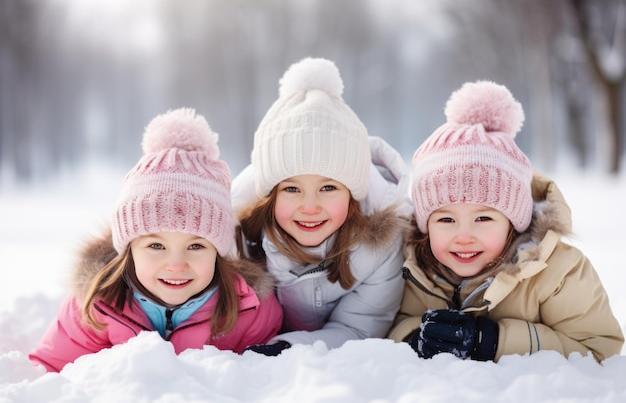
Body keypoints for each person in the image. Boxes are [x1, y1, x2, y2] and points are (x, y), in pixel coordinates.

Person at [29, 108, 283, 372]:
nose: (176, 264)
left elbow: (263, 381)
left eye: (195, 246)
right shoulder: (95, 306)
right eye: (156, 246)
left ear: (218, 252)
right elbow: (51, 374)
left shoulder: (249, 309)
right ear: (129, 250)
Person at [387, 80, 624, 362]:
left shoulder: (558, 272)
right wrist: (415, 338)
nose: (464, 235)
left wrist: (492, 341)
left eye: (483, 217)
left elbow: (600, 349)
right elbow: (388, 325)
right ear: (425, 224)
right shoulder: (414, 267)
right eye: (447, 219)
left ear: (514, 222)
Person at [233, 57, 412, 356]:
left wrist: (287, 347)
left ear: (353, 194)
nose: (310, 206)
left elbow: (359, 327)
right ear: (269, 196)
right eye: (292, 189)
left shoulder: (381, 244)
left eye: (328, 188)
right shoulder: (236, 236)